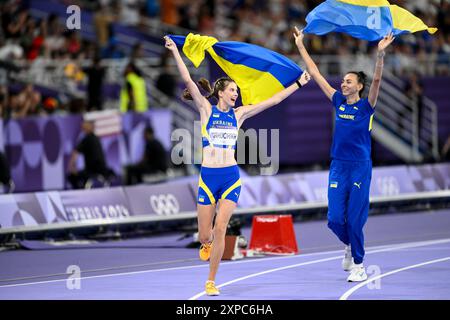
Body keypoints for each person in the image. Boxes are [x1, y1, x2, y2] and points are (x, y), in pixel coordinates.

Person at [164, 35, 311, 296]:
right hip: (207, 178)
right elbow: (188, 80)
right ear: (221, 93)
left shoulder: (239, 114)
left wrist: (299, 83)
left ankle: (211, 280)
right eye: (233, 90)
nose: (236, 94)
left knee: (221, 228)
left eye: (237, 92)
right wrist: (175, 50)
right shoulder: (206, 110)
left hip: (231, 177)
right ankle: (206, 243)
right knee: (204, 235)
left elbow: (273, 101)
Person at [294, 27, 395, 282]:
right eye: (344, 81)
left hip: (360, 167)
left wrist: (380, 56)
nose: (343, 83)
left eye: (349, 81)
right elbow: (316, 73)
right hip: (338, 166)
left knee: (355, 219)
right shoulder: (338, 101)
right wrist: (300, 45)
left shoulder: (366, 106)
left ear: (359, 86)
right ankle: (349, 246)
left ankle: (359, 264)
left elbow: (378, 81)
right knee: (335, 219)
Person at [67, 120, 113, 189]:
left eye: (85, 125)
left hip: (92, 170)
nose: (82, 127)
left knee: (72, 176)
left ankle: (79, 193)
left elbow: (75, 153)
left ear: (90, 127)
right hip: (102, 169)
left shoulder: (87, 139)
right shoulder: (96, 138)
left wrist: (72, 167)